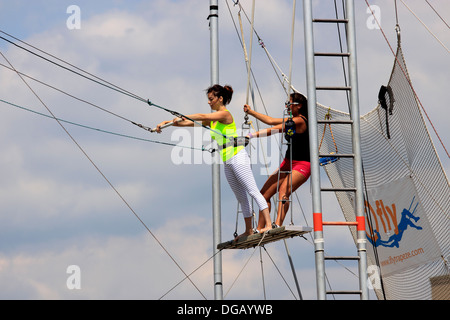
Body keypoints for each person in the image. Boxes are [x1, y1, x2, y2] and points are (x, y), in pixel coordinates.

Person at [156, 84, 272, 239]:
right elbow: (186, 123)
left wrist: (183, 115)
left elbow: (201, 116)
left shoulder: (225, 115)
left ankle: (269, 225)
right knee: (241, 197)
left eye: (211, 99)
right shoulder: (213, 121)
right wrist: (166, 123)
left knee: (252, 191)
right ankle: (249, 230)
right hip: (227, 160)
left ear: (220, 99)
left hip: (238, 156)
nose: (209, 102)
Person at [244, 92, 310, 231]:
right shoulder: (292, 119)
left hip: (302, 164)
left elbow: (274, 129)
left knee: (283, 191)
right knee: (264, 194)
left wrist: (252, 135)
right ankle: (259, 228)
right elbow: (270, 120)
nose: (287, 106)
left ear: (299, 106)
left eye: (290, 103)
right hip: (287, 162)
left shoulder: (300, 121)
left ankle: (277, 224)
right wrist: (251, 112)